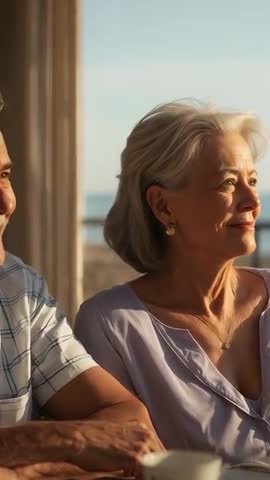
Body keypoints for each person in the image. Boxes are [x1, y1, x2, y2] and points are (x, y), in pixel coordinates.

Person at [75, 99, 270, 465]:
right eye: (229, 183)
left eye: (253, 181)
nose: (252, 200)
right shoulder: (112, 327)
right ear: (163, 206)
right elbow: (109, 464)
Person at [0, 129, 162, 479]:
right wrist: (62, 438)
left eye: (4, 176)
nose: (6, 202)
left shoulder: (19, 288)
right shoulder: (113, 316)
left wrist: (24, 468)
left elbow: (126, 416)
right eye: (225, 183)